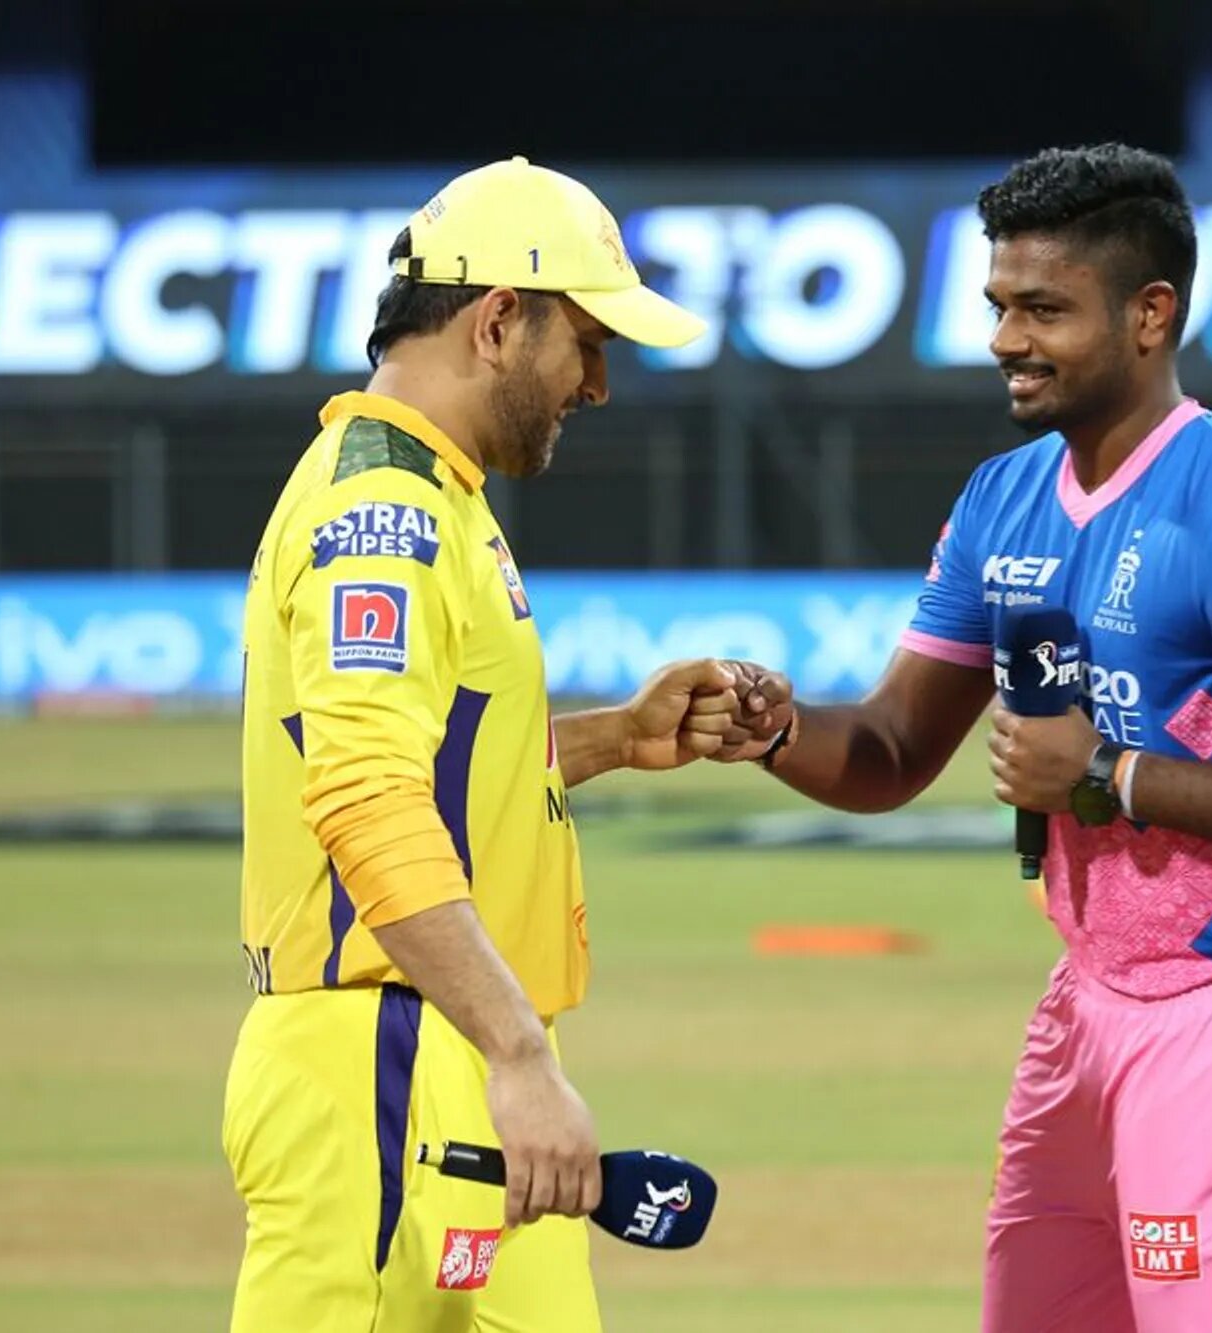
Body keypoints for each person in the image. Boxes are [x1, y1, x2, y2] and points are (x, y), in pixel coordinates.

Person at [710, 144, 1212, 1333]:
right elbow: (888, 746)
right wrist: (770, 730)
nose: (1004, 340)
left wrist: (1109, 772)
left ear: (1149, 316)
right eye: (996, 305)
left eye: (1043, 309)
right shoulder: (1001, 498)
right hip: (1083, 1001)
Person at [227, 156, 740, 1333]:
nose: (598, 383)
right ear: (502, 321)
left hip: (445, 1046)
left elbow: (422, 763)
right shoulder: (382, 518)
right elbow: (364, 797)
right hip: (391, 1055)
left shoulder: (437, 498)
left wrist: (612, 739)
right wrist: (515, 1054)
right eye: (588, 341)